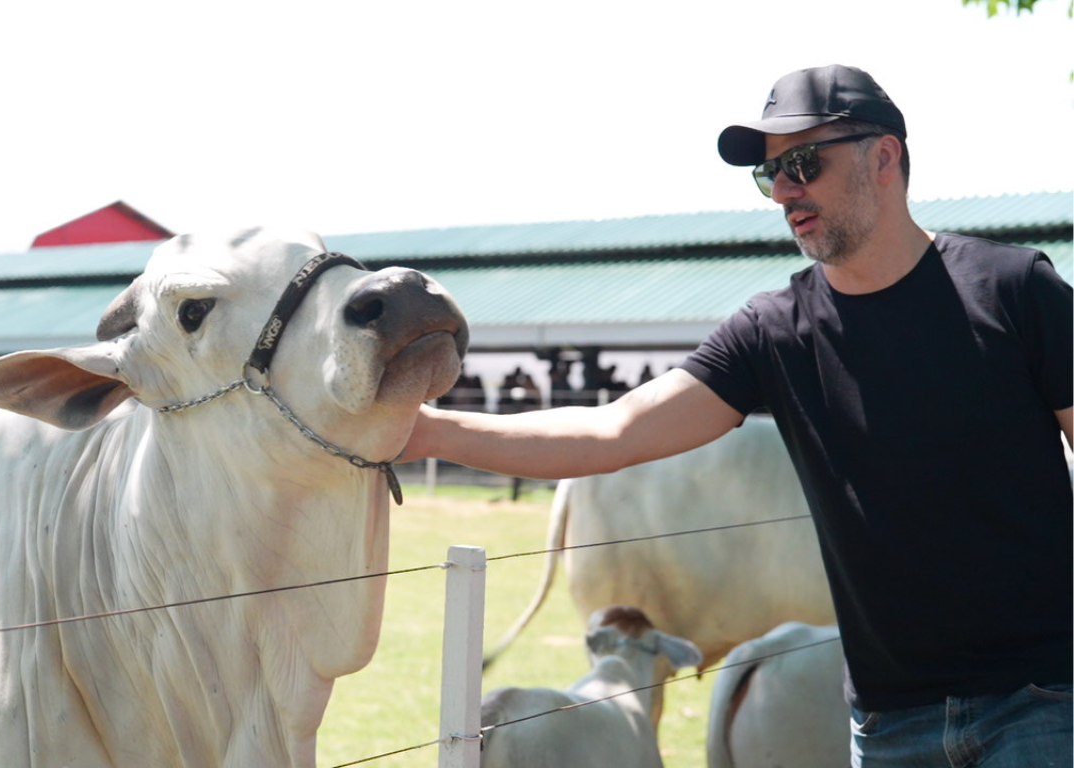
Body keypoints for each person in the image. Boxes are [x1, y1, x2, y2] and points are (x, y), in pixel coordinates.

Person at [401, 64, 1072, 767]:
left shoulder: (1015, 289)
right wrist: (427, 432)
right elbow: (616, 430)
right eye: (770, 173)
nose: (784, 189)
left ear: (885, 157)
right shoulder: (774, 330)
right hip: (888, 727)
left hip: (1041, 706)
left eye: (804, 162)